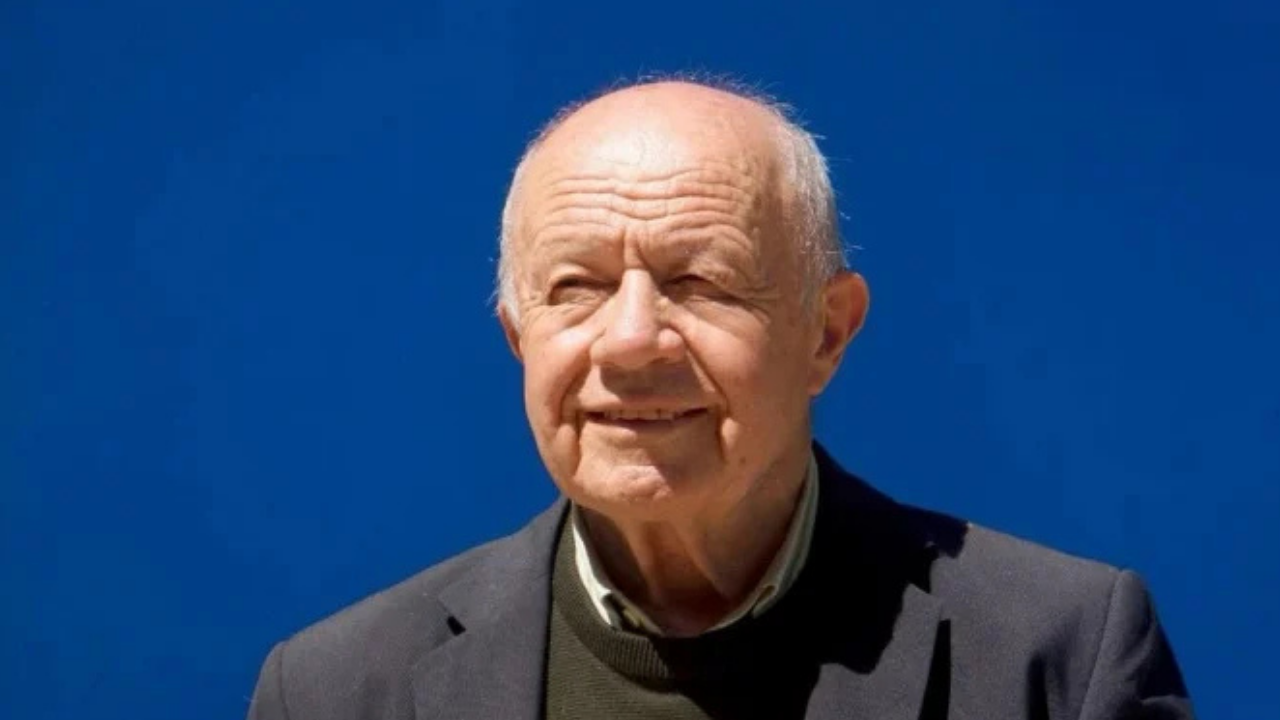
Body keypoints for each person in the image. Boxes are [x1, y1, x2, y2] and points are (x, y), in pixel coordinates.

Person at [246, 78, 1194, 719]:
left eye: (699, 282)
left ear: (827, 333)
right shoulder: (336, 690)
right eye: (575, 288)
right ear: (518, 339)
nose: (630, 341)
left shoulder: (1058, 657)